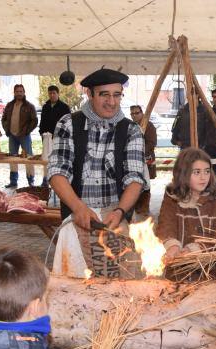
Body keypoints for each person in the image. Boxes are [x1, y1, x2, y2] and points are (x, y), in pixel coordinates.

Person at [48, 67, 147, 279]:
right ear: (90, 94)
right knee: (74, 285)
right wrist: (78, 207)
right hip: (77, 214)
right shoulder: (68, 124)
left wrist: (120, 211)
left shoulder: (131, 130)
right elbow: (57, 174)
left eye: (117, 95)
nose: (111, 102)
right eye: (104, 95)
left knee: (122, 285)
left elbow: (135, 179)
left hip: (116, 216)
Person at [157, 147, 216, 281]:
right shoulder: (172, 200)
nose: (203, 177)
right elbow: (165, 225)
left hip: (209, 276)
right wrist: (172, 246)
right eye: (196, 172)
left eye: (207, 171)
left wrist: (196, 248)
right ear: (183, 173)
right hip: (177, 276)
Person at [2, 84, 38, 188]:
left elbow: (34, 121)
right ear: (14, 93)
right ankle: (13, 181)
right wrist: (6, 129)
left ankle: (31, 181)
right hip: (12, 136)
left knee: (29, 158)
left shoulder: (29, 106)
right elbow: (4, 118)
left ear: (24, 92)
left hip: (24, 136)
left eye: (21, 91)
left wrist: (27, 131)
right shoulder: (9, 105)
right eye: (17, 91)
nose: (19, 93)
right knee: (12, 159)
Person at [130, 105, 157, 216]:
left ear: (142, 113)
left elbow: (152, 143)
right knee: (135, 182)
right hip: (134, 160)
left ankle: (144, 207)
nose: (134, 115)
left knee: (146, 184)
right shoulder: (131, 126)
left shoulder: (149, 126)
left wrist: (139, 152)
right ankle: (137, 205)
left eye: (137, 113)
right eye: (132, 113)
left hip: (146, 159)